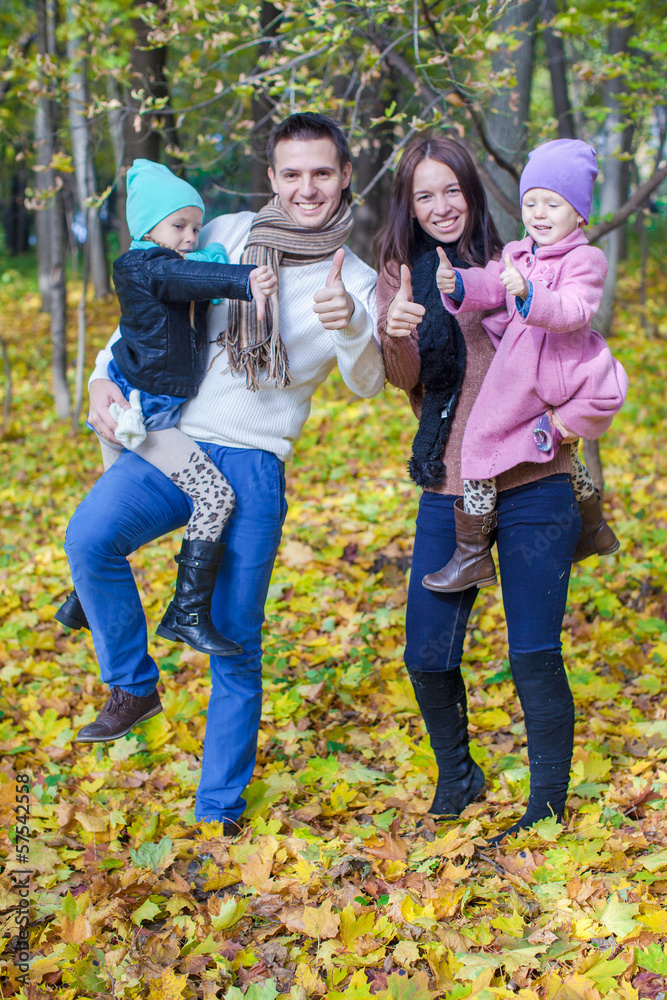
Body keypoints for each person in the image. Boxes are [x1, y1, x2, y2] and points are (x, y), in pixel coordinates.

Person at [62, 113, 384, 833]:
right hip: (173, 438)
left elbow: (366, 382)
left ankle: (216, 813)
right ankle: (132, 686)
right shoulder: (230, 234)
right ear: (272, 177)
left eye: (322, 174)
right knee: (89, 541)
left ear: (344, 178)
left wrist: (351, 326)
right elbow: (153, 304)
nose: (307, 188)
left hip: (254, 461)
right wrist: (96, 378)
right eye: (292, 174)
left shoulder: (353, 277)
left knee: (234, 641)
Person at [376, 134, 611, 842]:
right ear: (409, 205)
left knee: (533, 651)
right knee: (425, 650)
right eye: (424, 194)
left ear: (472, 192)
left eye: (451, 190)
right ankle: (458, 774)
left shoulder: (524, 257)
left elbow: (577, 345)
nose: (440, 205)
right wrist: (394, 334)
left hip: (535, 480)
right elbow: (401, 379)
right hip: (450, 485)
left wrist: (562, 426)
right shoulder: (402, 270)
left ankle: (545, 806)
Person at [57, 158, 278, 658]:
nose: (189, 236)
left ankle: (81, 600)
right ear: (146, 228)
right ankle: (188, 612)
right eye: (178, 226)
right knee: (215, 499)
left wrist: (211, 252)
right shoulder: (145, 266)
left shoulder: (160, 261)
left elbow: (193, 268)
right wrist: (245, 280)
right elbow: (190, 280)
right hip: (144, 411)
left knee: (108, 519)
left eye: (195, 226)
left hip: (134, 397)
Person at [423, 139, 627, 593]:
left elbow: (574, 308)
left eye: (553, 203)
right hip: (527, 367)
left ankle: (472, 555)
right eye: (530, 202)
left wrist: (529, 294)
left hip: (552, 368)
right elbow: (491, 286)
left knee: (478, 440)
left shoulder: (585, 259)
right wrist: (457, 281)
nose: (539, 212)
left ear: (579, 214)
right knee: (562, 452)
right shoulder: (519, 251)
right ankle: (593, 526)